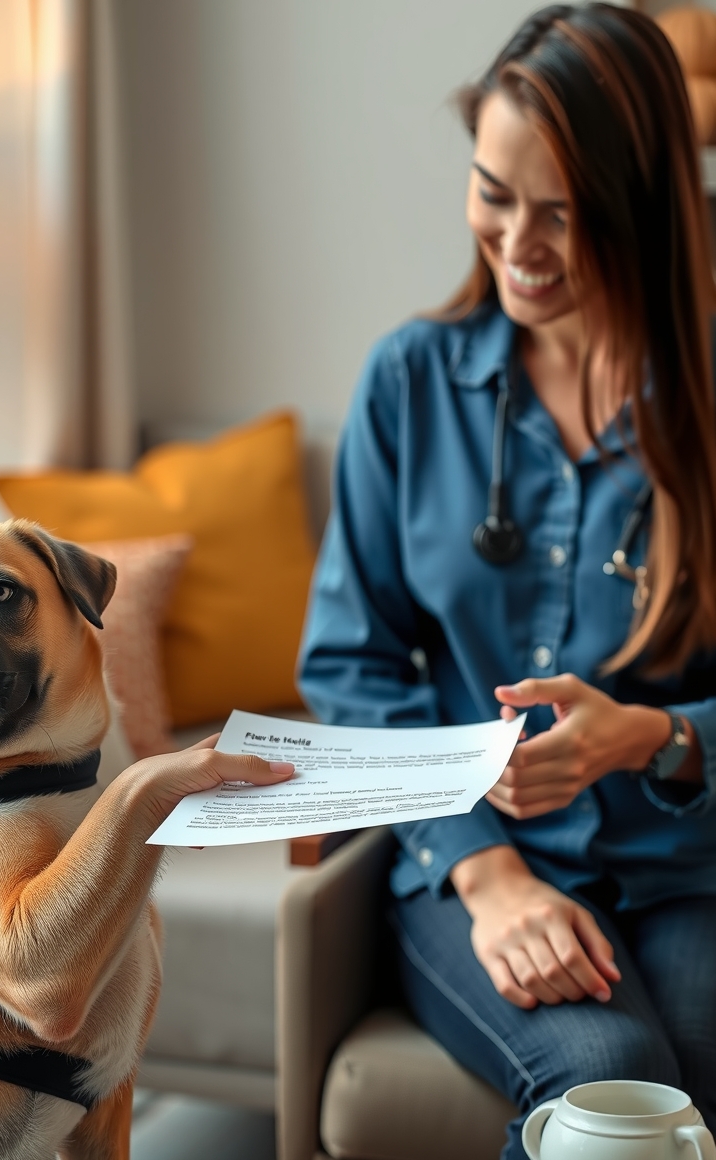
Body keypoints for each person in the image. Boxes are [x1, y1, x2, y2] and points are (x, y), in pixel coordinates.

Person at [296, 5, 716, 1157]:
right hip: (466, 856)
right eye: (491, 192)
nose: (516, 243)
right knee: (613, 1081)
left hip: (684, 867)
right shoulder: (409, 382)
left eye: (562, 213)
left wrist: (648, 736)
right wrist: (485, 873)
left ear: (637, 209)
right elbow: (348, 663)